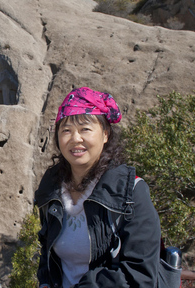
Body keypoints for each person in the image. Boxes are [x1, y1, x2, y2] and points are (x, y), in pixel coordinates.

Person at [35, 87, 161, 287]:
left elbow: (139, 273)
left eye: (85, 129)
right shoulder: (52, 186)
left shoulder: (131, 192)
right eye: (66, 130)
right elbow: (46, 250)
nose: (75, 138)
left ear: (105, 134)